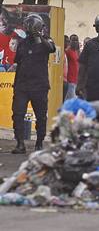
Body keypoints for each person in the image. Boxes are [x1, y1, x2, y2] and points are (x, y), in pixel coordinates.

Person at [11, 13, 56, 153]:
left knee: (41, 115)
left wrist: (39, 37)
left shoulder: (46, 41)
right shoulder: (22, 43)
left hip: (39, 86)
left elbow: (51, 49)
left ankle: (39, 142)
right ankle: (20, 143)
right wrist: (16, 84)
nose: (29, 28)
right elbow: (19, 63)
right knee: (18, 114)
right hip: (22, 85)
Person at [65, 34, 79, 100]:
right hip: (70, 80)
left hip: (76, 80)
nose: (75, 42)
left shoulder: (76, 52)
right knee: (70, 101)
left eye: (76, 40)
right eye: (73, 40)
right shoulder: (67, 51)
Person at [63, 35, 69, 101]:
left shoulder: (65, 52)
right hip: (62, 81)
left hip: (66, 80)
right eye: (66, 41)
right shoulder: (61, 52)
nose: (68, 43)